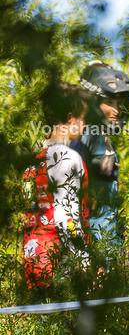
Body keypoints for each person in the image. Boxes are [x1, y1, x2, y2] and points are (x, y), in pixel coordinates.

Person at [22, 82, 94, 289]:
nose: (86, 126)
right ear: (70, 118)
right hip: (59, 260)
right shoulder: (68, 157)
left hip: (32, 255)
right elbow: (66, 216)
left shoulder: (32, 161)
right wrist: (83, 261)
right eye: (84, 119)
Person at [78, 60, 129, 247]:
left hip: (110, 242)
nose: (117, 110)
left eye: (120, 103)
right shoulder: (86, 134)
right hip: (94, 245)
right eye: (109, 102)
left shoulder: (102, 135)